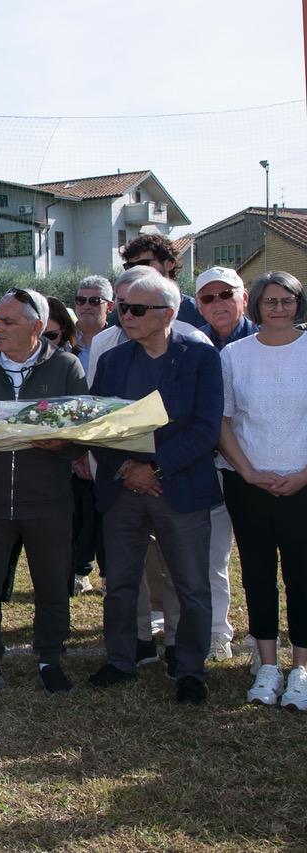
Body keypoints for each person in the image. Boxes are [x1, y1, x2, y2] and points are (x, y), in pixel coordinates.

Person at [86, 269, 222, 706]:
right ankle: (121, 660)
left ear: (169, 313)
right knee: (121, 583)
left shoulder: (201, 357)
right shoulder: (110, 362)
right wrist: (127, 468)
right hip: (123, 490)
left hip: (177, 490)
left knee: (191, 587)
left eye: (137, 309)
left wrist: (154, 469)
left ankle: (190, 670)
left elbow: (205, 429)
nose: (126, 315)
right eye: (123, 307)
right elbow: (97, 426)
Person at [0, 287, 88, 697]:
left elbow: (84, 433)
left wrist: (63, 445)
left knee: (51, 584)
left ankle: (49, 658)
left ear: (37, 326)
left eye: (9, 322)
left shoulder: (66, 367)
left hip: (47, 501)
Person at [218, 271, 307, 710]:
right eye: (269, 300)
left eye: (286, 299)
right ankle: (268, 664)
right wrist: (248, 471)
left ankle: (302, 669)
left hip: (303, 484)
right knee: (257, 574)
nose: (277, 307)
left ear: (298, 302)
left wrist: (303, 475)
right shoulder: (235, 354)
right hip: (249, 484)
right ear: (255, 305)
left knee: (302, 577)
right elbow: (224, 421)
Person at [194, 266, 253, 660]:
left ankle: (260, 634)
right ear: (198, 306)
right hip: (208, 468)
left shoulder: (267, 341)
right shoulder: (195, 346)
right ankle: (219, 632)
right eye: (208, 298)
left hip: (260, 469)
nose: (218, 303)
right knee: (214, 557)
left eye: (226, 294)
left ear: (243, 297)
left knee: (259, 558)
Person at [120, 233, 203, 327]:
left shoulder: (196, 310)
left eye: (143, 264)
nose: (137, 270)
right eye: (130, 266)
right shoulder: (124, 310)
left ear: (169, 264)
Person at [72, 276, 114, 373]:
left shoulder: (120, 340)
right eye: (81, 300)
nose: (86, 306)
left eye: (94, 301)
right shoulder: (61, 339)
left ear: (110, 306)